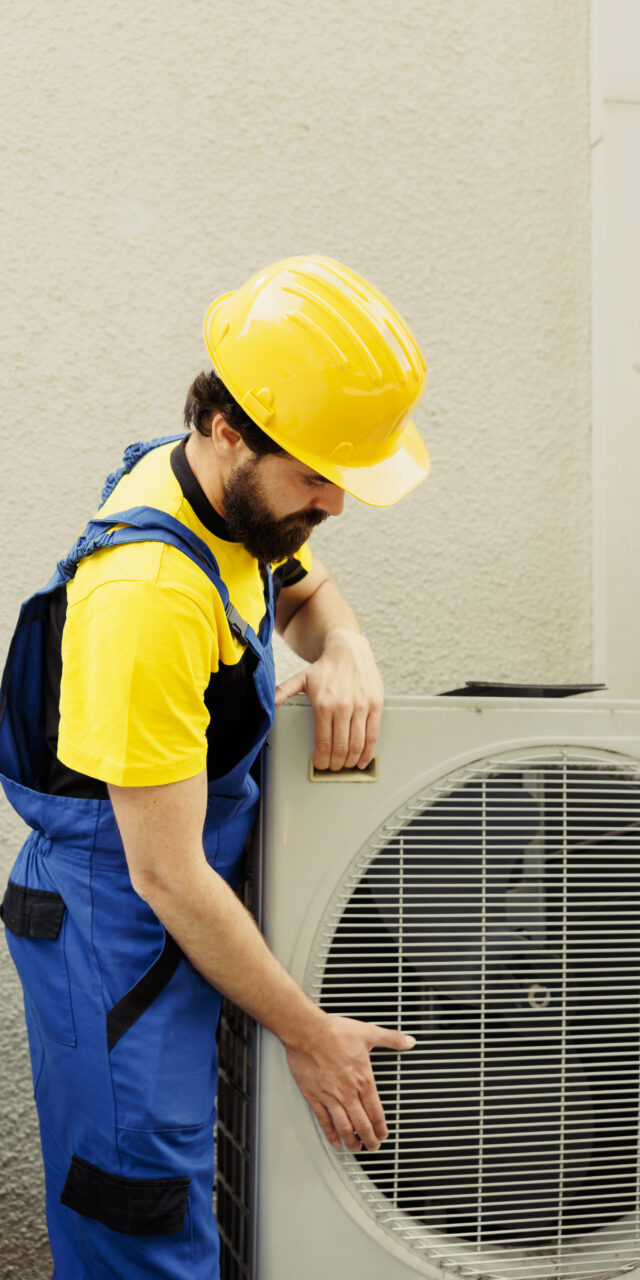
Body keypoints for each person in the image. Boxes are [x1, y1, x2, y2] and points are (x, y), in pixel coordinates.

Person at [0, 256, 429, 1278]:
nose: (334, 503)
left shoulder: (222, 496)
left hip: (175, 904)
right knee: (142, 1220)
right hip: (120, 930)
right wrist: (308, 1032)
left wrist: (346, 647)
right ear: (229, 428)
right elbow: (166, 872)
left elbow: (303, 589)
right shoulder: (147, 595)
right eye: (316, 476)